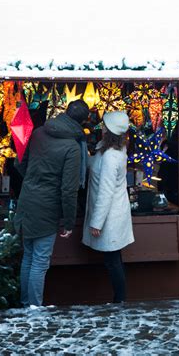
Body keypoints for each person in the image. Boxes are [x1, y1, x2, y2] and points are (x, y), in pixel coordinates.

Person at [14, 99, 90, 307]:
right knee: (40, 260)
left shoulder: (39, 133)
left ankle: (25, 304)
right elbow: (68, 190)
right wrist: (68, 222)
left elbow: (19, 163)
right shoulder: (72, 148)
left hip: (27, 200)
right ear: (83, 122)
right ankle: (34, 308)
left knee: (28, 256)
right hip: (47, 207)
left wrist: (31, 180)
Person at [82, 110, 134, 303]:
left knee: (112, 261)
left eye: (104, 124)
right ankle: (119, 298)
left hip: (111, 216)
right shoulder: (111, 150)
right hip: (113, 213)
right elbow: (94, 164)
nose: (101, 126)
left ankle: (120, 299)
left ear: (109, 130)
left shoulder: (111, 156)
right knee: (114, 258)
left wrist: (96, 222)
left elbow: (105, 191)